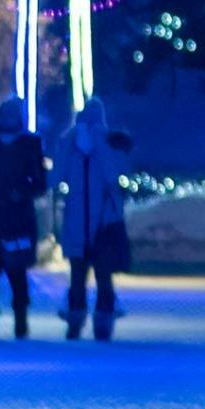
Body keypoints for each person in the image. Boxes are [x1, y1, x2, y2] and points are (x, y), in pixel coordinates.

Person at [0, 95, 51, 340]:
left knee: (11, 271)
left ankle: (15, 320)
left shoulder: (24, 144)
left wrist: (20, 193)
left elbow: (40, 183)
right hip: (2, 216)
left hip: (10, 216)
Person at [59, 94, 136, 341]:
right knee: (82, 277)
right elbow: (59, 176)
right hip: (85, 223)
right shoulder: (72, 146)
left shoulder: (106, 146)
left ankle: (93, 320)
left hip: (98, 224)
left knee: (94, 277)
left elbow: (113, 175)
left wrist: (97, 141)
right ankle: (83, 318)